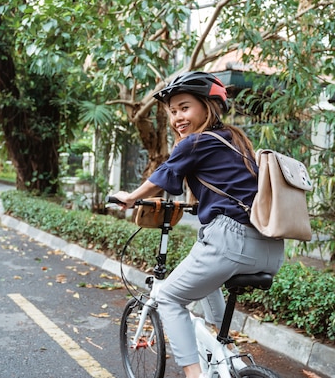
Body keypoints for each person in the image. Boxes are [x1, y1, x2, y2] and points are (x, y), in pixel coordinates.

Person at [112, 71, 285, 378]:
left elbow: (163, 176)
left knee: (168, 298)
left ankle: (193, 373)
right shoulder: (236, 140)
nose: (177, 116)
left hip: (232, 241)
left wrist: (130, 198)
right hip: (270, 247)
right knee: (206, 281)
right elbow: (232, 187)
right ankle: (225, 348)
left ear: (208, 107)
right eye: (173, 111)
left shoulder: (195, 143)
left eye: (185, 107)